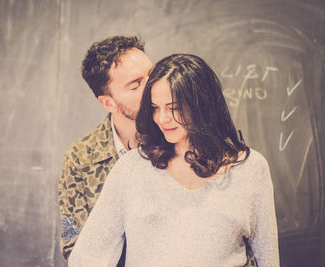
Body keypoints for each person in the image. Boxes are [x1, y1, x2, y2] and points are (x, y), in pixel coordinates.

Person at [68, 54, 279, 266]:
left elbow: (268, 258)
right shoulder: (131, 169)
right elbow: (87, 257)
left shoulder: (251, 168)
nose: (162, 118)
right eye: (155, 108)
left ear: (202, 105)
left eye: (174, 108)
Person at [58, 35, 153, 265]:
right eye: (136, 84)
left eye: (152, 74)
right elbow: (74, 245)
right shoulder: (80, 158)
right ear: (108, 103)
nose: (152, 87)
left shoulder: (178, 139)